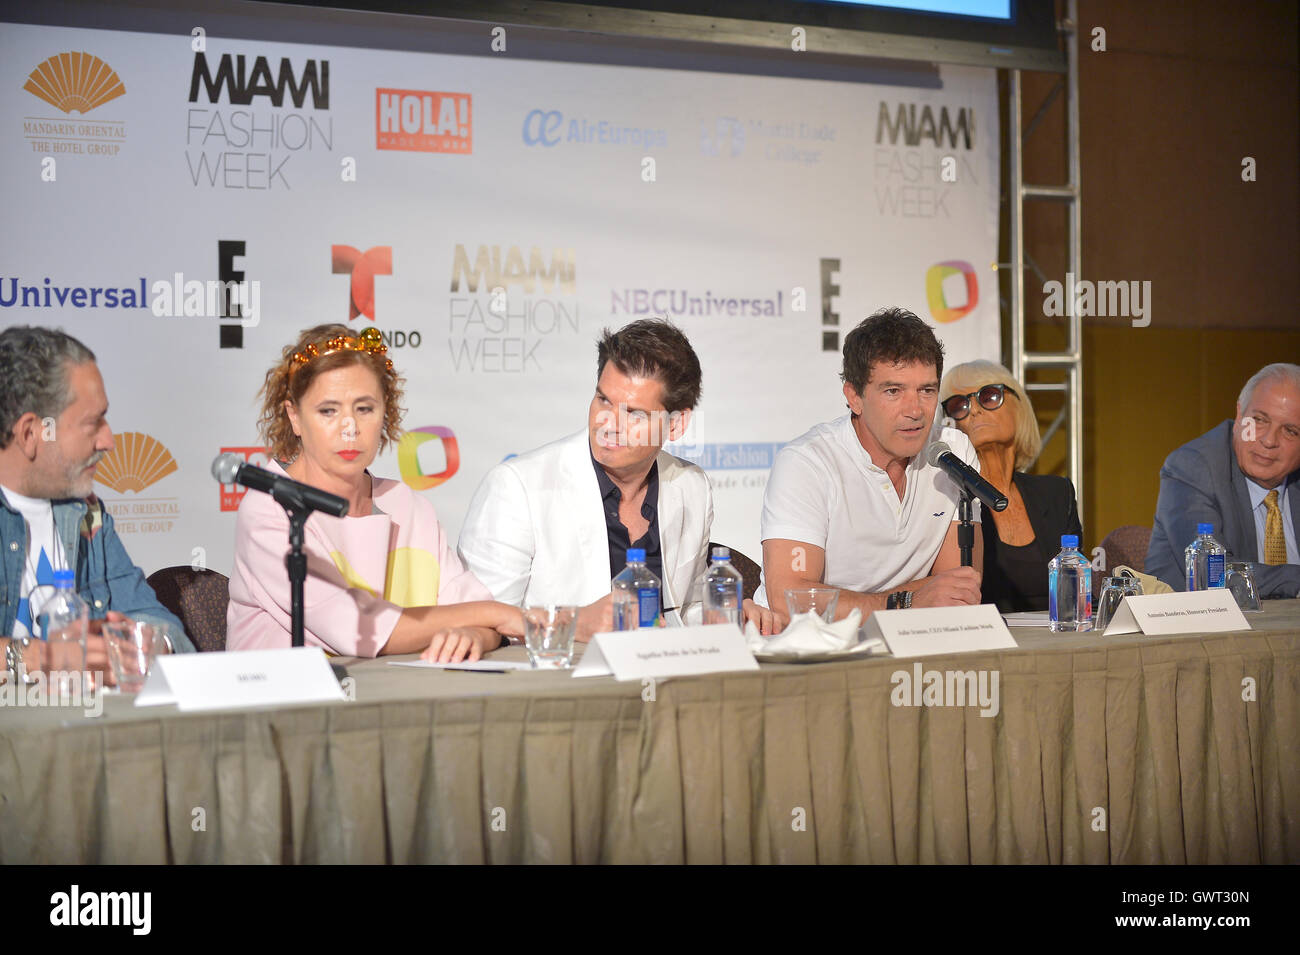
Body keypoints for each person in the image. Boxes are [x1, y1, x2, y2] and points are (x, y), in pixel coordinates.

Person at [458, 318, 782, 635]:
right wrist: (574, 622)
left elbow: (681, 608)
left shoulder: (691, 486)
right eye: (603, 400)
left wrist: (725, 614)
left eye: (634, 413)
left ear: (677, 424)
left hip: (668, 675)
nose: (609, 424)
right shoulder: (517, 487)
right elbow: (481, 623)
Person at [226, 324, 522, 660]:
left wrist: (476, 635)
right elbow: (359, 630)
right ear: (294, 416)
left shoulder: (409, 506)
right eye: (328, 411)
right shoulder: (269, 507)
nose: (349, 427)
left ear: (386, 411)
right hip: (281, 705)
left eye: (364, 408)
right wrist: (496, 615)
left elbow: (473, 611)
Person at [757, 307, 983, 618]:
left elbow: (955, 592)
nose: (915, 410)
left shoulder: (952, 452)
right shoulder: (807, 463)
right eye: (893, 391)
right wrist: (904, 602)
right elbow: (791, 598)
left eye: (927, 390)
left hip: (913, 639)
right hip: (808, 648)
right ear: (854, 397)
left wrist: (881, 604)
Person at [0, 326, 193, 683]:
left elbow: (161, 627)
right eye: (93, 423)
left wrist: (141, 646)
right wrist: (35, 657)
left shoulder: (86, 512)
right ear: (31, 433)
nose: (109, 440)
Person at [938, 360, 1082, 612]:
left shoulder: (1057, 493)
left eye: (989, 396)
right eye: (959, 405)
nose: (974, 410)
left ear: (1020, 408)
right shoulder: (947, 501)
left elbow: (1073, 594)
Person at [1147, 362, 1300, 597]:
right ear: (1239, 414)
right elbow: (1213, 575)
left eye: (1290, 431)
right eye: (1259, 420)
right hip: (1201, 628)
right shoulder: (1193, 467)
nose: (1269, 441)